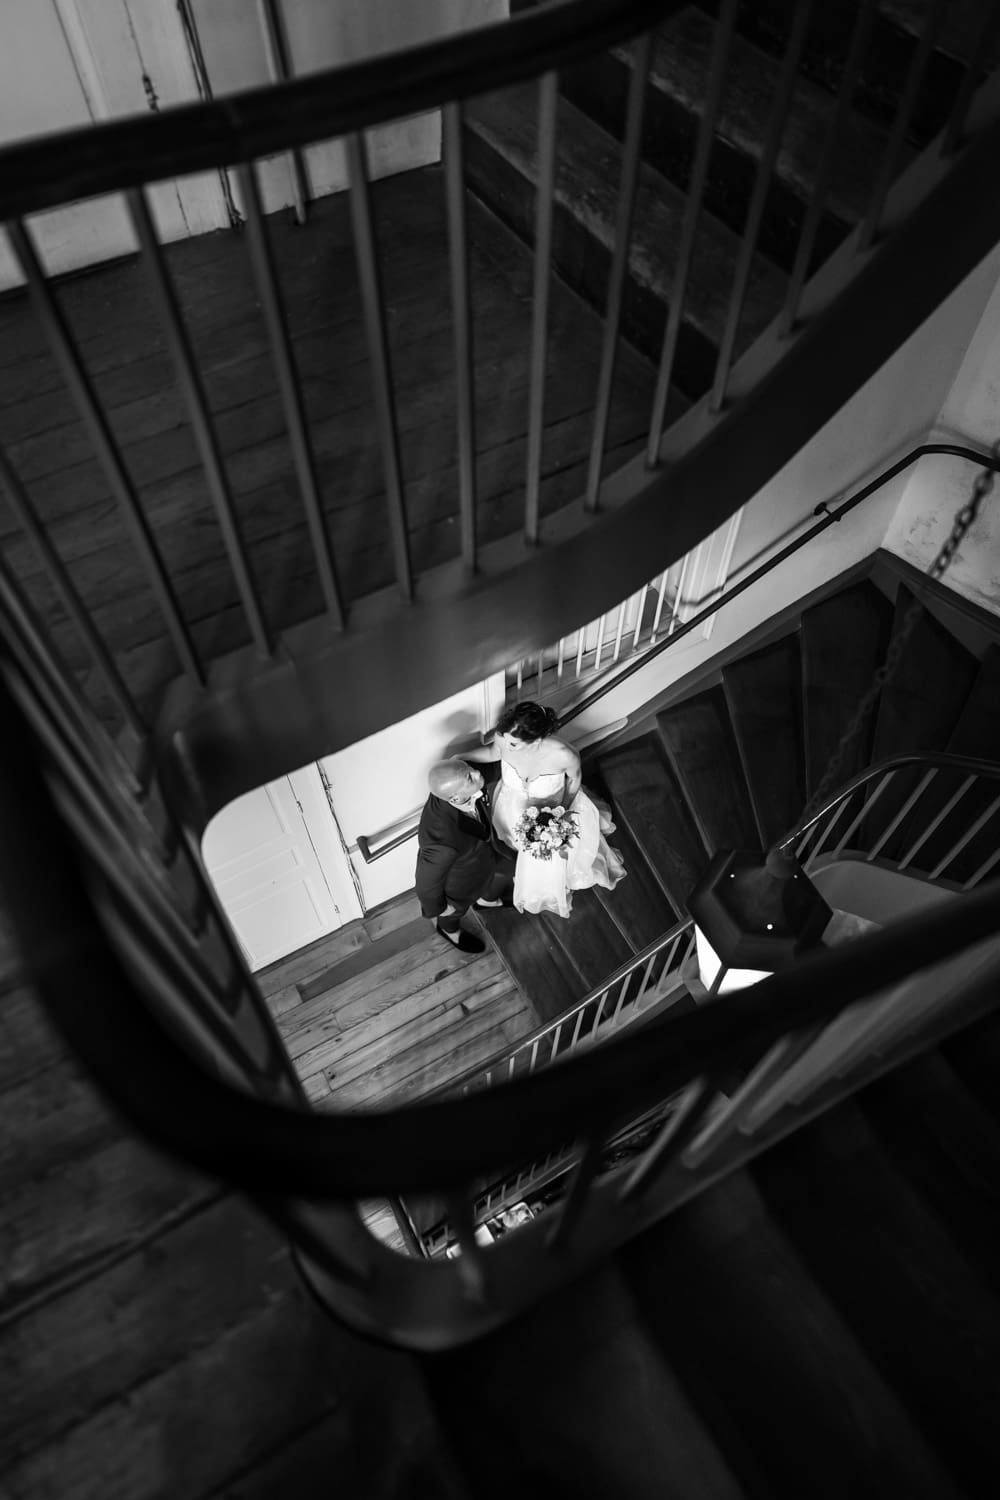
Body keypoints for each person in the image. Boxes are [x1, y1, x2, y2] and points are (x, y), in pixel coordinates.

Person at [463, 702, 626, 918]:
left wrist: (561, 812)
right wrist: (460, 758)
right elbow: (494, 752)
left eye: (514, 744)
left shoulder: (564, 754)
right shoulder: (504, 737)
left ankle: (549, 884)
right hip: (510, 806)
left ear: (536, 741)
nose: (506, 745)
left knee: (551, 858)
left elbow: (574, 781)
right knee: (514, 847)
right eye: (505, 739)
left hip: (552, 812)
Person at [415, 757, 515, 954]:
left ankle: (487, 901)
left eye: (470, 769)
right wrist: (440, 908)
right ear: (455, 798)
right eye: (470, 777)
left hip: (486, 850)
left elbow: (498, 768)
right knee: (455, 910)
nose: (476, 773)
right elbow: (425, 885)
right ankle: (447, 929)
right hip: (461, 881)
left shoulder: (464, 775)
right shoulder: (441, 843)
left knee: (507, 867)